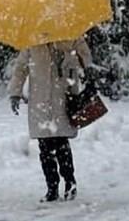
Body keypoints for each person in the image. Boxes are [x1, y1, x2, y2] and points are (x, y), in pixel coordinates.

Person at [7, 37, 92, 202]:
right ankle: (52, 187)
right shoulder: (32, 42)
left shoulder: (70, 37)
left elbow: (86, 59)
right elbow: (20, 68)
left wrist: (68, 59)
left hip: (63, 99)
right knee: (45, 148)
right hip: (40, 103)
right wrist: (15, 93)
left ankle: (69, 182)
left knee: (61, 144)